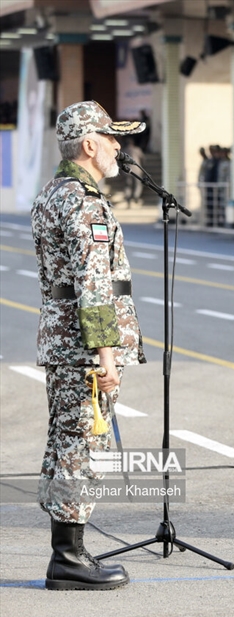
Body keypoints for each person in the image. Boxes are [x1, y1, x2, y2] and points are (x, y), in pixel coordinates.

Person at [30, 101, 147, 589]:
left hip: (63, 341)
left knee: (66, 442)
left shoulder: (53, 193)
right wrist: (106, 357)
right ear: (89, 144)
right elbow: (93, 284)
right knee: (82, 446)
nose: (119, 145)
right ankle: (69, 559)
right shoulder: (82, 202)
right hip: (83, 348)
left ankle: (68, 550)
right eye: (111, 137)